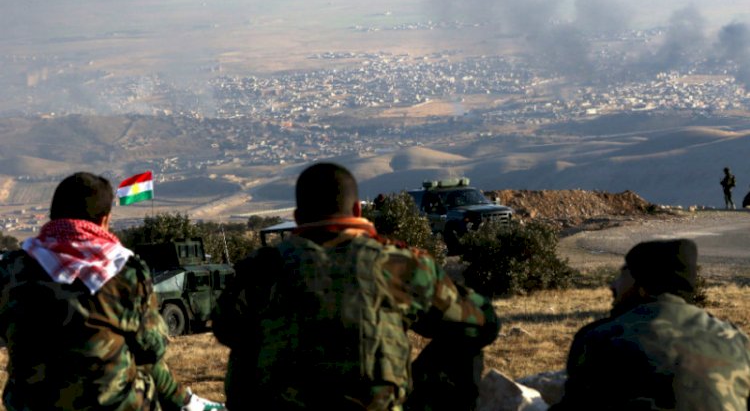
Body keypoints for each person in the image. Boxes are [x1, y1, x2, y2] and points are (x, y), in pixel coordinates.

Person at [212, 162, 500, 410]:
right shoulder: (397, 263)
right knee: (464, 340)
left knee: (245, 347)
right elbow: (482, 323)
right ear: (356, 209)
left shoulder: (262, 266)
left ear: (298, 217)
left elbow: (225, 328)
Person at [0, 172, 223, 411]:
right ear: (105, 219)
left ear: (53, 216)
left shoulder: (12, 270)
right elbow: (152, 347)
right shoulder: (124, 272)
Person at [550, 238, 750, 410]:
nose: (613, 285)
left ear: (643, 287)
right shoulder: (738, 342)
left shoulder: (601, 339)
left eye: (623, 274)